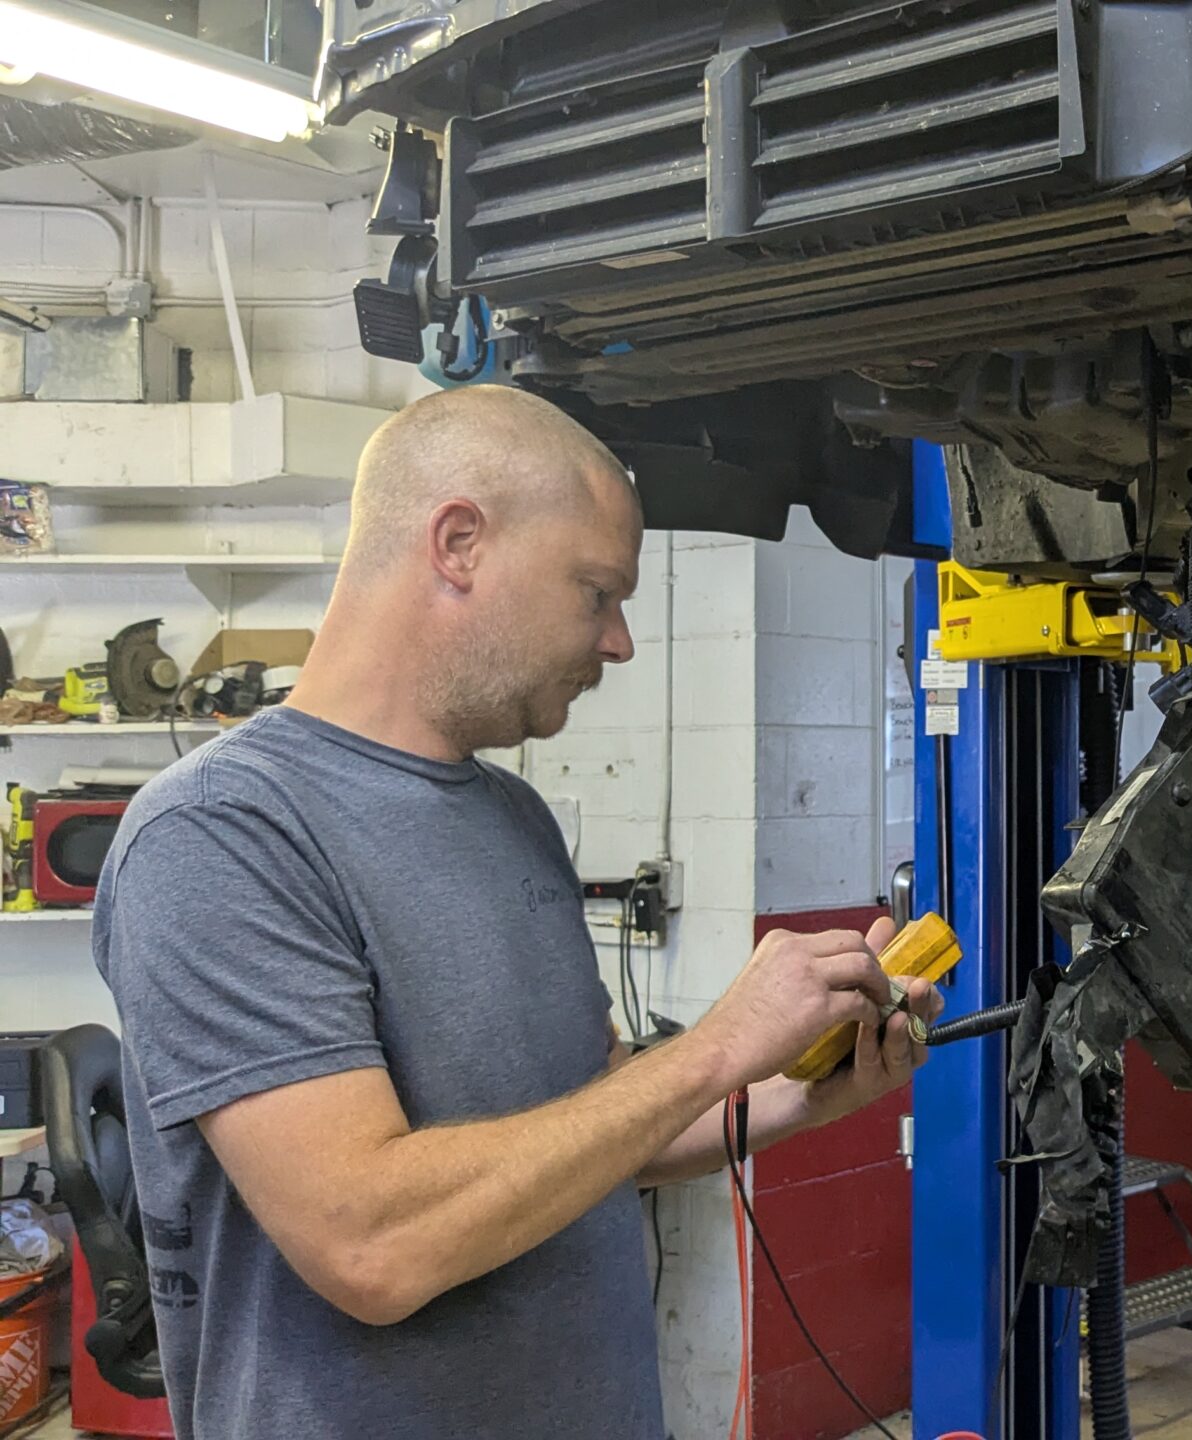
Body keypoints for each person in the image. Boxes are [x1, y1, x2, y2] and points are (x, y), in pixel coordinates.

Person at [91, 385, 938, 1439]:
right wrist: (718, 1046)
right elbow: (372, 1248)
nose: (620, 640)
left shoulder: (512, 814)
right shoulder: (222, 833)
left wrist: (800, 1095)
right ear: (458, 543)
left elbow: (588, 1120)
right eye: (596, 592)